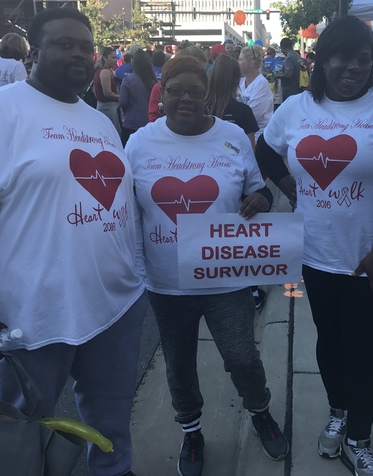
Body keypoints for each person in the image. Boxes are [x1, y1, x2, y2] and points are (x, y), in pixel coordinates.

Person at [0, 7, 146, 476]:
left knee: (112, 426)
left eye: (86, 47)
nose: (79, 54)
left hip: (113, 308)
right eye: (64, 44)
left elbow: (120, 205)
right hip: (28, 316)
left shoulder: (98, 121)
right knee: (22, 432)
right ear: (33, 52)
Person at [255, 15, 373, 476]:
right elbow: (266, 150)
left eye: (363, 59)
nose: (353, 67)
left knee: (366, 353)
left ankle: (358, 438)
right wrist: (291, 186)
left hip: (370, 263)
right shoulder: (295, 109)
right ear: (322, 60)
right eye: (342, 57)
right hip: (314, 256)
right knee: (329, 344)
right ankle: (338, 412)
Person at [125, 55, 288, 476]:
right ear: (162, 94)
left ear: (208, 96)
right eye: (176, 89)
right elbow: (124, 211)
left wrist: (263, 200)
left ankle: (261, 412)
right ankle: (192, 432)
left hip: (224, 276)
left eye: (196, 92)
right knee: (179, 364)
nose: (186, 99)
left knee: (242, 356)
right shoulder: (140, 143)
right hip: (167, 282)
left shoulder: (232, 136)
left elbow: (258, 189)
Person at [119, 48, 156, 145]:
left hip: (131, 122)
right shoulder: (153, 82)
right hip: (148, 123)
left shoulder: (128, 80)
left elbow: (122, 101)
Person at [237, 45, 274, 138]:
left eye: (241, 59)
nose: (238, 62)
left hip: (258, 135)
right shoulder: (241, 82)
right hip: (242, 133)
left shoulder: (261, 84)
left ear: (252, 63)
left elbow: (253, 115)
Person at [93, 46, 121, 133]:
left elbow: (95, 91)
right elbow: (107, 93)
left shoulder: (99, 71)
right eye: (112, 58)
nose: (115, 60)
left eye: (116, 58)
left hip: (102, 106)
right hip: (109, 108)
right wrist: (121, 97)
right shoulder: (105, 72)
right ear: (104, 58)